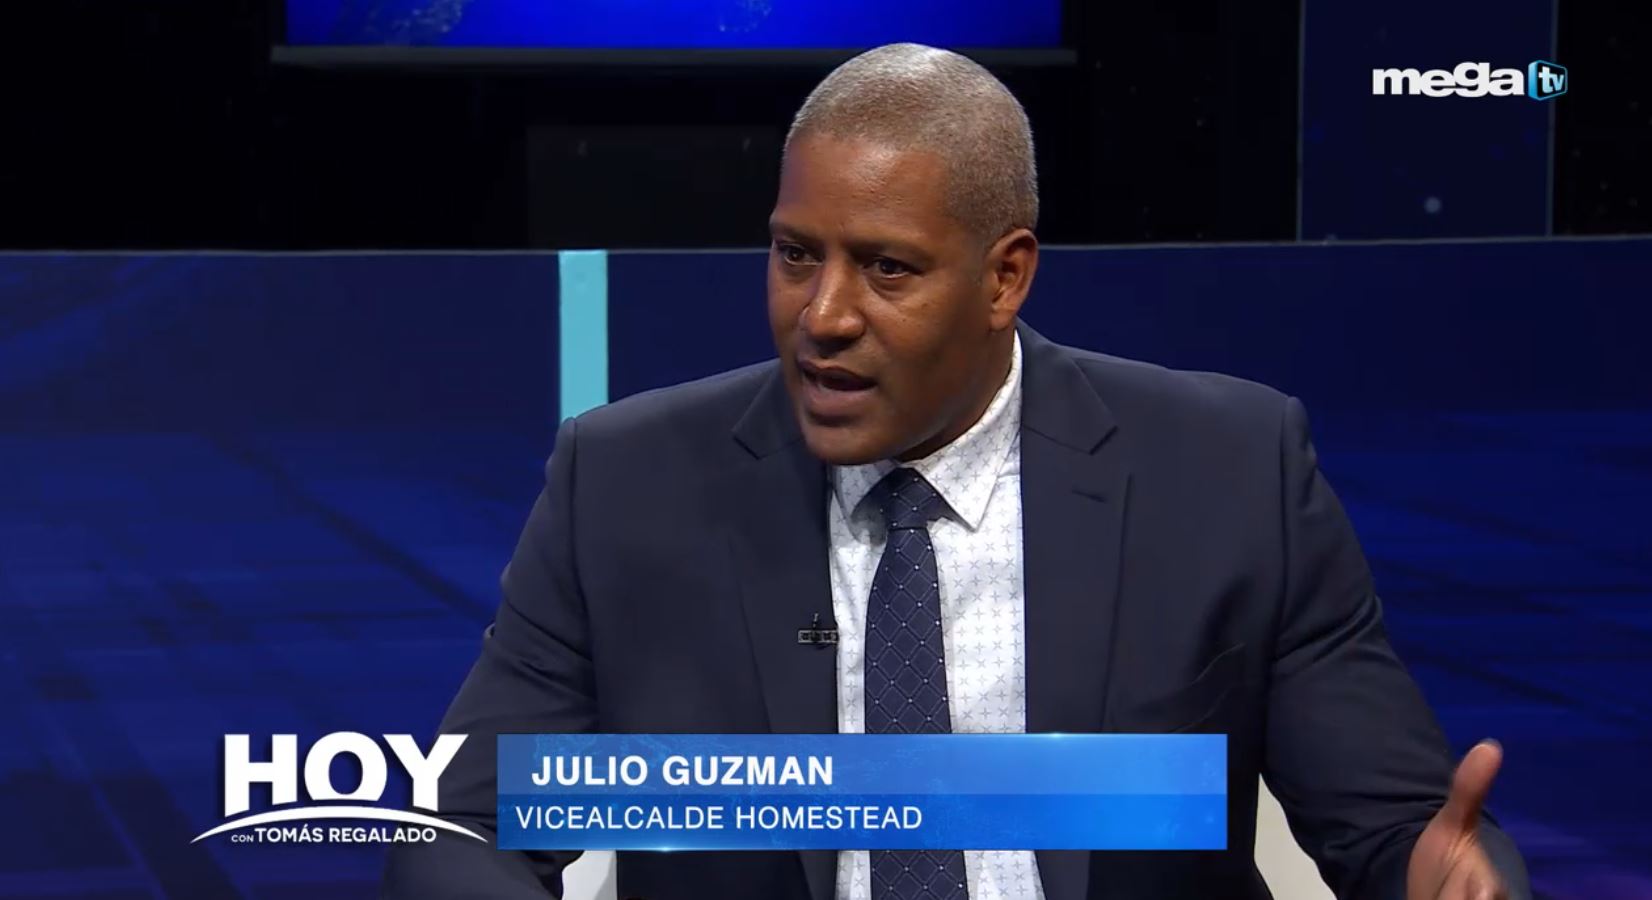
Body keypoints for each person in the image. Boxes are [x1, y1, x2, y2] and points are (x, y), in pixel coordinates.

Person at [383, 43, 1529, 900]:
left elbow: (1393, 832)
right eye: (794, 256)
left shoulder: (1226, 472)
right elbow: (461, 830)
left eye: (885, 269)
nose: (821, 315)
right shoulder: (626, 485)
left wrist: (1446, 881)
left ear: (1003, 277)